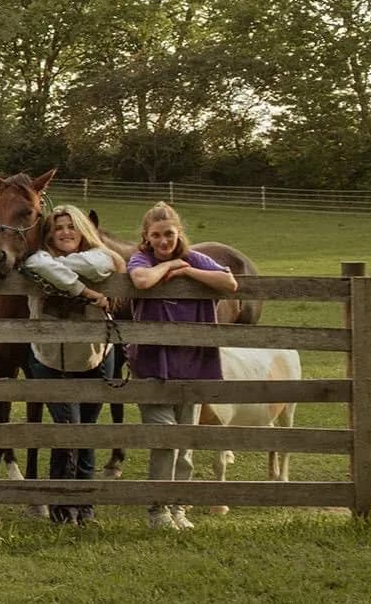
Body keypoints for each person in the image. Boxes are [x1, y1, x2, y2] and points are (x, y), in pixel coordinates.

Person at [128, 201, 237, 530]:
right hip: (152, 363)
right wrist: (170, 265)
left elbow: (230, 283)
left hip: (191, 362)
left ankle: (179, 506)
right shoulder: (141, 258)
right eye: (157, 236)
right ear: (146, 238)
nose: (164, 241)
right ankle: (157, 510)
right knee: (165, 437)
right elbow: (142, 280)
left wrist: (187, 270)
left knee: (185, 439)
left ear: (179, 234)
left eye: (170, 235)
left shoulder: (193, 258)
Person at [21, 205, 126, 526]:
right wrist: (86, 290)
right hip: (52, 360)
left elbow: (101, 262)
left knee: (88, 434)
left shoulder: (100, 257)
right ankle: (63, 507)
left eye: (71, 227)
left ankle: (85, 506)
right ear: (48, 233)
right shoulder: (34, 260)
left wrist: (59, 269)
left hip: (96, 356)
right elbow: (35, 261)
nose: (65, 232)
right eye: (57, 228)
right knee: (68, 432)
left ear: (83, 230)